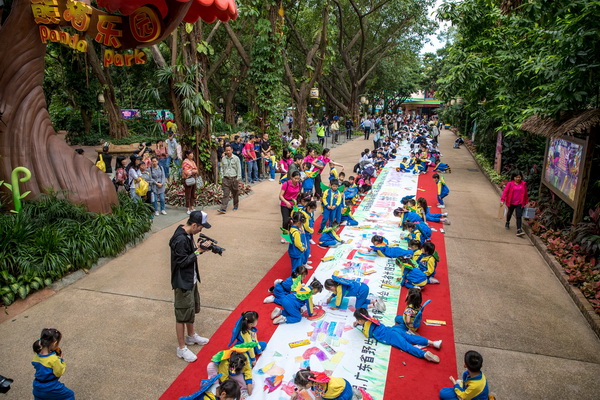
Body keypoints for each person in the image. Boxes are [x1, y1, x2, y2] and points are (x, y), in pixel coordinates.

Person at [169, 211, 212, 362]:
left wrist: (198, 248)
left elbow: (189, 254)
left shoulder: (187, 232)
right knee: (181, 315)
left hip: (190, 279)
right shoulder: (180, 239)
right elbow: (181, 262)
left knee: (190, 308)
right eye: (200, 227)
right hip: (182, 282)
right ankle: (181, 348)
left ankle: (191, 336)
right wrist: (199, 252)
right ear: (194, 225)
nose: (201, 230)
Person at [354, 307, 441, 363]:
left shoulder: (366, 327)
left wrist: (359, 325)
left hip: (390, 336)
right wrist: (359, 322)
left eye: (357, 320)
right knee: (411, 338)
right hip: (393, 329)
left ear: (360, 321)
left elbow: (367, 335)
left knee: (406, 346)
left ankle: (423, 354)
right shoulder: (370, 318)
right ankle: (433, 343)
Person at [32, 328, 74, 400]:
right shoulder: (53, 359)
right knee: (69, 395)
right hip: (50, 387)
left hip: (37, 386)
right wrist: (60, 359)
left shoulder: (37, 355)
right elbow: (59, 372)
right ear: (54, 343)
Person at [500, 171, 529, 237]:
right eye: (516, 177)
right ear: (513, 177)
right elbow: (505, 192)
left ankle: (519, 230)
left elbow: (526, 194)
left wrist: (526, 202)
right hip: (511, 202)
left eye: (519, 177)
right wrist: (502, 200)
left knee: (519, 216)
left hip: (519, 203)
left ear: (521, 177)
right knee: (510, 213)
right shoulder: (510, 184)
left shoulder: (523, 184)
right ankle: (507, 222)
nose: (518, 179)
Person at [279, 171, 302, 241]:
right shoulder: (286, 184)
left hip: (294, 204)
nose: (297, 180)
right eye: (295, 178)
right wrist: (286, 202)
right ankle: (285, 236)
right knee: (286, 220)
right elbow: (280, 196)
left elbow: (298, 193)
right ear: (291, 177)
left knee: (293, 220)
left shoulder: (299, 184)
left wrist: (297, 202)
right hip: (285, 204)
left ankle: (292, 234)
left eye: (298, 179)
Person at [218, 144, 242, 214]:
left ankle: (235, 205)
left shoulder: (236, 158)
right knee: (226, 194)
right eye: (226, 150)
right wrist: (221, 177)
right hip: (226, 179)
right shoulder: (223, 159)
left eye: (229, 150)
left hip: (234, 178)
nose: (228, 152)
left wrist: (238, 178)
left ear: (232, 150)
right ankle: (223, 209)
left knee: (235, 193)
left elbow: (239, 168)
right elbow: (222, 168)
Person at [182, 150, 198, 214]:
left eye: (192, 155)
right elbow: (187, 172)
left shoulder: (193, 161)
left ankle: (192, 206)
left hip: (193, 179)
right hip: (187, 179)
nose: (192, 156)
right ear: (187, 155)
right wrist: (193, 170)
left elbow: (196, 170)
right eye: (190, 155)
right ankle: (188, 207)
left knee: (192, 193)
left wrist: (192, 170)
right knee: (188, 194)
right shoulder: (185, 162)